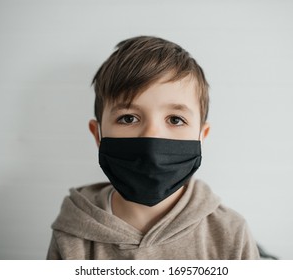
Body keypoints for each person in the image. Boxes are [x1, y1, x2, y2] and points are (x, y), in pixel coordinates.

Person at [47, 36, 260, 259]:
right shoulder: (71, 235)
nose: (151, 136)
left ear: (201, 135)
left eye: (175, 120)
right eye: (128, 118)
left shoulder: (231, 234)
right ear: (97, 134)